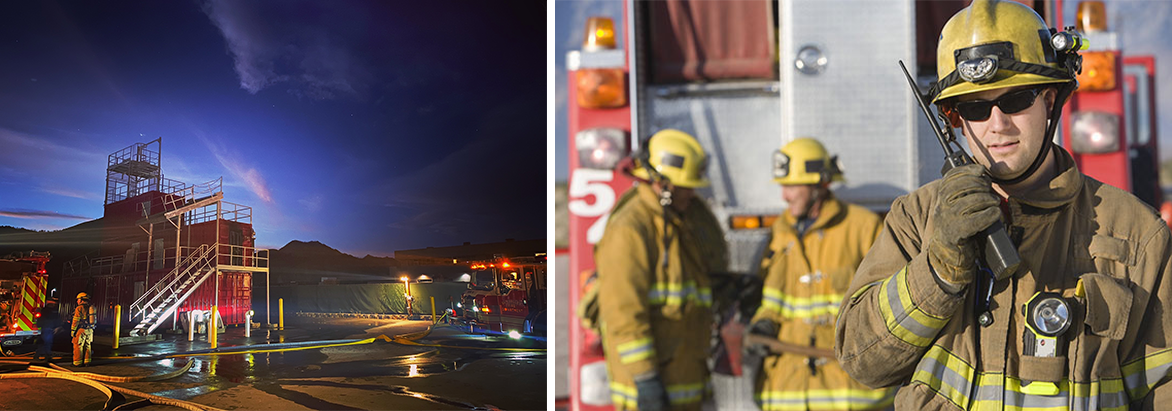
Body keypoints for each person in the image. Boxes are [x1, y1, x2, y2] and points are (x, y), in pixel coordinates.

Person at [835, 0, 1172, 409]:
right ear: (953, 119)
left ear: (1050, 100)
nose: (998, 124)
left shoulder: (1136, 233)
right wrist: (937, 271)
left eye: (1016, 100)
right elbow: (861, 361)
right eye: (976, 107)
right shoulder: (916, 220)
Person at [747, 138, 896, 410]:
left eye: (792, 186)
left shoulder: (863, 228)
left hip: (848, 392)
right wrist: (763, 323)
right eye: (783, 186)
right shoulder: (780, 232)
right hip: (788, 390)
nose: (784, 196)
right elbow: (772, 301)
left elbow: (887, 304)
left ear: (821, 184)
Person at [595, 129, 728, 411]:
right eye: (685, 186)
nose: (692, 193)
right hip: (651, 389)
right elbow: (623, 312)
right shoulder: (631, 229)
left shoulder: (685, 221)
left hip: (687, 378)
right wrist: (645, 379)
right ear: (661, 182)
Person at [71, 292, 96, 367]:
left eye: (78, 300)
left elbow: (76, 320)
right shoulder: (91, 307)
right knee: (87, 346)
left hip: (81, 330)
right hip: (90, 330)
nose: (77, 301)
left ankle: (77, 363)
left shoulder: (79, 308)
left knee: (78, 346)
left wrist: (73, 330)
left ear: (81, 300)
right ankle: (87, 362)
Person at [33, 297, 61, 362]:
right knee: (48, 342)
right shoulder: (52, 311)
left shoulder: (44, 310)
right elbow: (55, 319)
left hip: (45, 327)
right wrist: (58, 326)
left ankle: (39, 354)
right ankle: (47, 355)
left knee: (44, 342)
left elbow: (40, 319)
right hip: (48, 328)